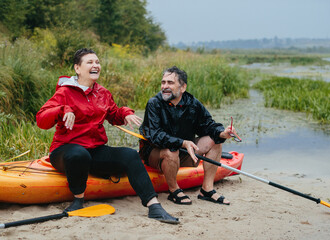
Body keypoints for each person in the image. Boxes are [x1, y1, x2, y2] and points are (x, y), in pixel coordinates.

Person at [36, 48, 179, 224]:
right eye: (90, 62)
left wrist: (125, 113)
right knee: (79, 154)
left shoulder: (102, 93)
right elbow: (41, 120)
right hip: (65, 151)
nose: (95, 65)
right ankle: (78, 200)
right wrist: (62, 110)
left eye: (97, 62)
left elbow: (114, 114)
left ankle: (154, 206)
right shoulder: (64, 92)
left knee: (130, 155)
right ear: (77, 68)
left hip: (94, 151)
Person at [139, 66, 235, 205]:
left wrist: (222, 133)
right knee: (171, 151)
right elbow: (155, 135)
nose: (165, 86)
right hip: (155, 152)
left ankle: (207, 190)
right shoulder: (154, 103)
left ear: (183, 87)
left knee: (215, 140)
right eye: (163, 82)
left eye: (170, 83)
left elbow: (207, 125)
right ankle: (174, 190)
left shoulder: (193, 104)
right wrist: (182, 142)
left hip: (184, 150)